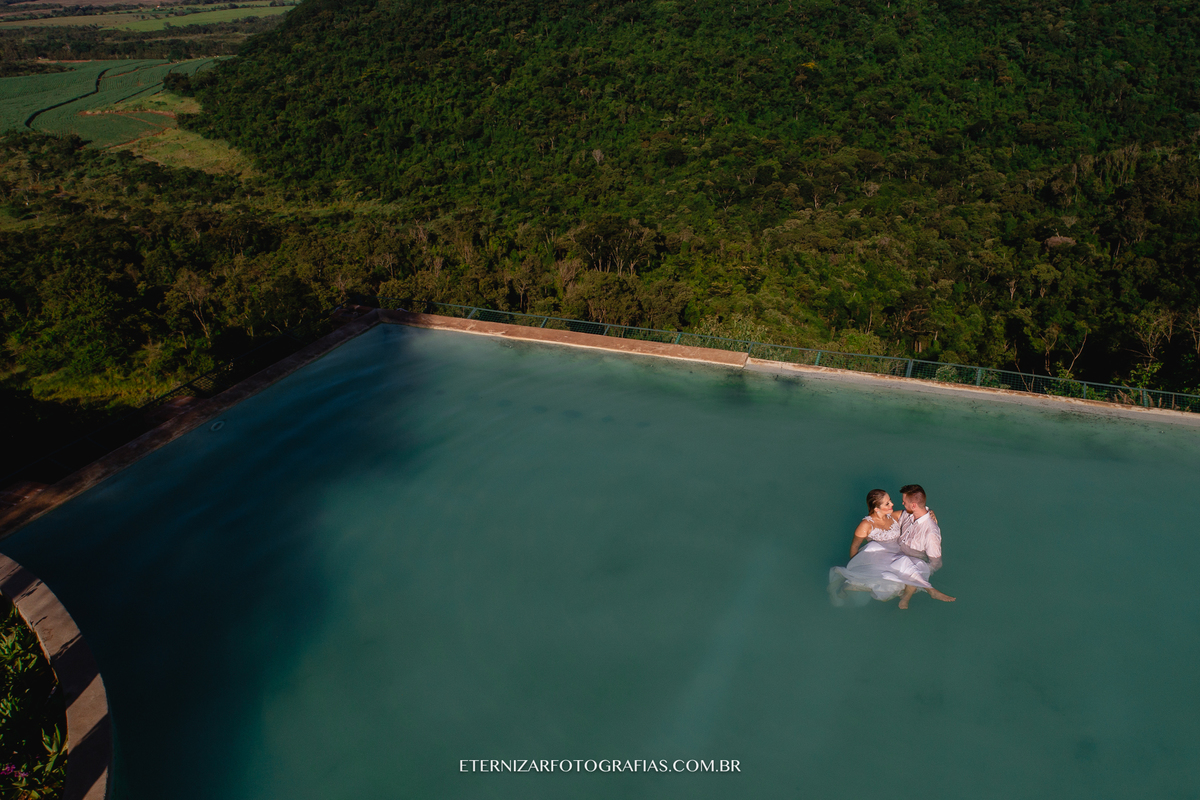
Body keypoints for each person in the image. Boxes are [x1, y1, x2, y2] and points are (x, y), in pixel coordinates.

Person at [829, 488, 955, 609]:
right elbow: (854, 547)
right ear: (877, 509)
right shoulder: (865, 525)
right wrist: (857, 566)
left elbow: (917, 510)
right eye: (887, 503)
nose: (892, 504)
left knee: (916, 565)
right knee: (904, 565)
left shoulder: (894, 515)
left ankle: (907, 597)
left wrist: (930, 512)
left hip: (896, 552)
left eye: (890, 500)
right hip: (878, 555)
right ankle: (931, 590)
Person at [895, 484, 952, 609]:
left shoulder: (930, 532)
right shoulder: (907, 514)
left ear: (913, 505)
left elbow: (936, 562)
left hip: (914, 562)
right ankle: (925, 590)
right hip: (897, 554)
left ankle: (910, 595)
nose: (903, 504)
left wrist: (922, 574)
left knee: (914, 568)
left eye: (904, 502)